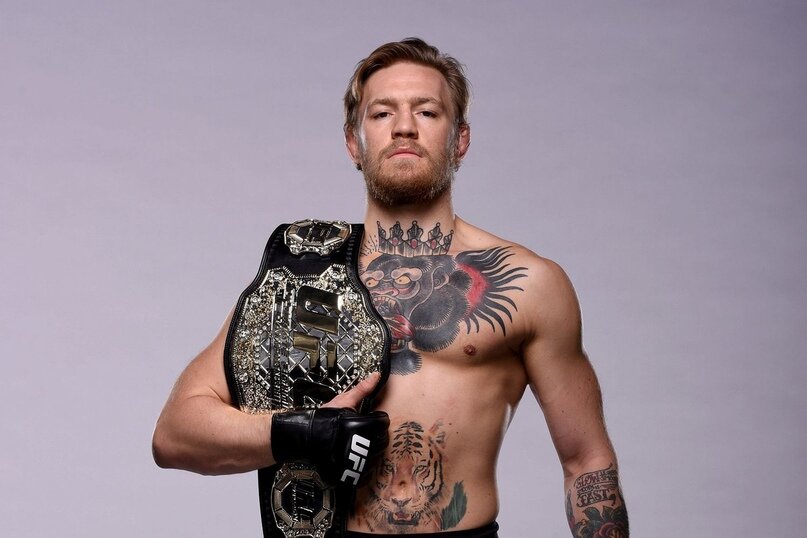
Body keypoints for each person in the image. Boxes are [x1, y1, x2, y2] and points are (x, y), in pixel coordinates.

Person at [153, 38, 628, 537]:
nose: (404, 126)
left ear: (460, 140)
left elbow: (586, 461)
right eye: (382, 113)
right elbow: (175, 435)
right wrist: (301, 433)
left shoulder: (530, 284)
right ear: (353, 143)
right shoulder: (301, 276)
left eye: (427, 111)